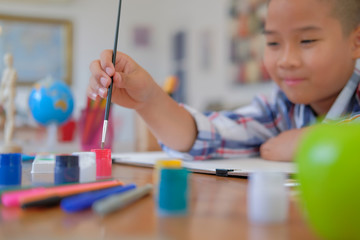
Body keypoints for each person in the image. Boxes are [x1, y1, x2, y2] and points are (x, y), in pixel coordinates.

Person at [88, 0, 360, 162]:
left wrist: (314, 141)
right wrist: (148, 100)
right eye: (274, 42)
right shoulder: (278, 109)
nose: (286, 60)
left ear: (356, 42)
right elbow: (210, 135)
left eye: (307, 40)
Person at [0, 53, 21, 152]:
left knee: (11, 118)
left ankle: (9, 139)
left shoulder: (13, 71)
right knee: (5, 120)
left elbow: (9, 83)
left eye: (9, 59)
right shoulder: (5, 71)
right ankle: (7, 140)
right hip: (5, 96)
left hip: (10, 96)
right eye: (6, 60)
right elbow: (3, 85)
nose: (7, 61)